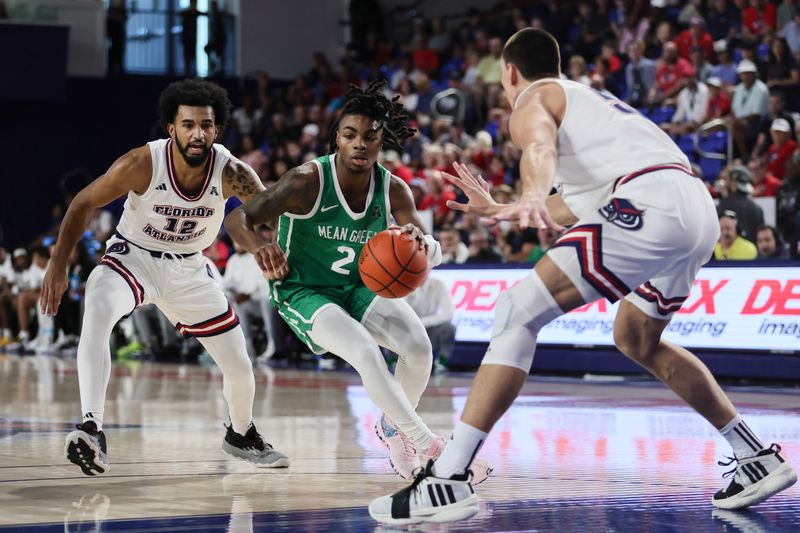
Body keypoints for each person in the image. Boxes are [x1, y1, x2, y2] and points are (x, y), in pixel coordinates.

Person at [369, 28, 796, 525]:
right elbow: (580, 200)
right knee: (636, 338)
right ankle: (755, 455)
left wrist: (529, 190)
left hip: (649, 202)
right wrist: (508, 208)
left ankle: (448, 478)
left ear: (509, 72)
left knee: (515, 311)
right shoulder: (592, 105)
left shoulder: (533, 97)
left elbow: (539, 149)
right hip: (693, 207)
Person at [223, 79, 491, 482]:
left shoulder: (394, 190)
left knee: (419, 350)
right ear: (337, 139)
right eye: (350, 135)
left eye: (370, 136)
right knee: (366, 353)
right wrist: (259, 247)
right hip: (304, 289)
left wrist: (424, 245)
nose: (359, 144)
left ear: (382, 141)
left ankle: (390, 428)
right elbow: (238, 217)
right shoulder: (306, 180)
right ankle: (430, 446)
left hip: (359, 287)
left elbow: (426, 245)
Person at [40, 79, 289, 476]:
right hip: (133, 258)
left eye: (206, 125)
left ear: (216, 129)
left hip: (190, 268)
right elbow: (82, 203)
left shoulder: (232, 172)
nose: (198, 133)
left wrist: (270, 243)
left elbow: (266, 215)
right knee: (99, 308)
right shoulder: (141, 163)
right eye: (188, 125)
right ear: (171, 129)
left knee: (240, 364)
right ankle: (91, 427)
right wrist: (57, 265)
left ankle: (241, 434)